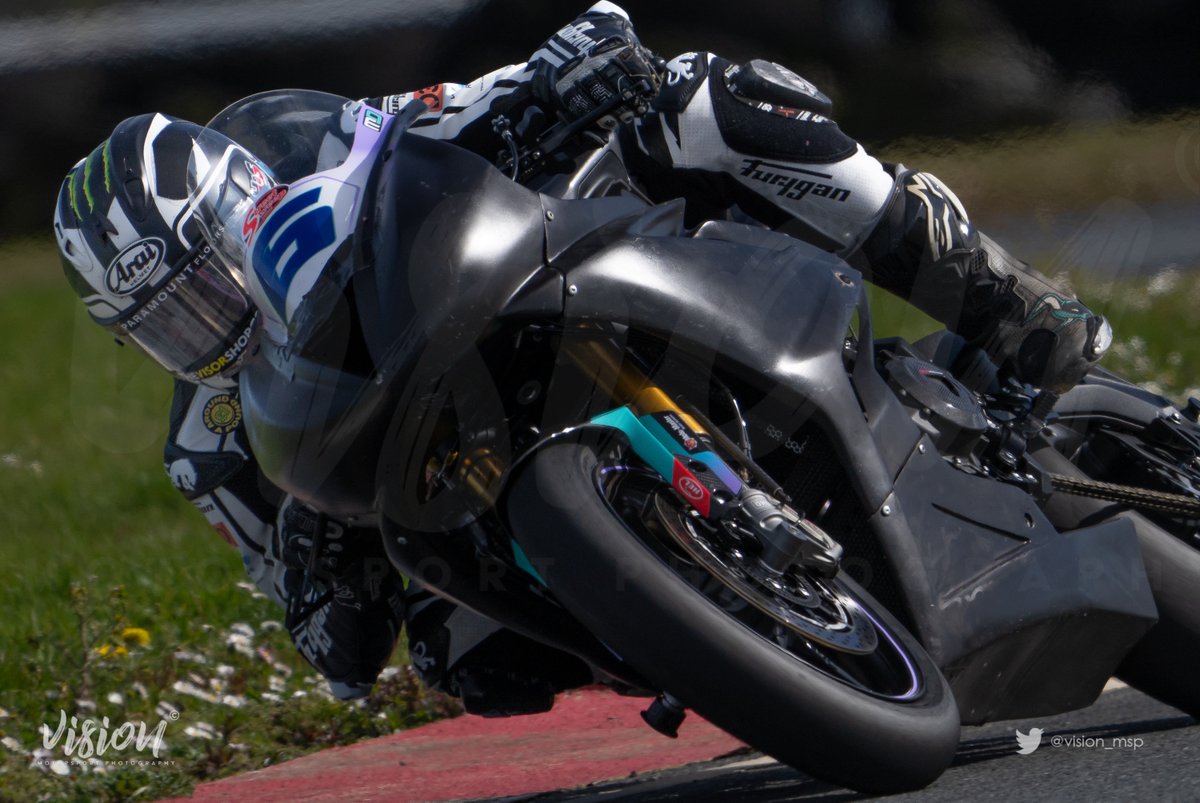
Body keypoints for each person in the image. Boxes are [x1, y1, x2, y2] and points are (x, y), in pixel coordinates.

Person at [53, 1, 1111, 712]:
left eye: (205, 283)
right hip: (455, 475)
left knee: (693, 103)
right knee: (459, 655)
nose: (207, 323)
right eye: (167, 325)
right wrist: (321, 560)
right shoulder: (209, 448)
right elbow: (333, 659)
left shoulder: (327, 149)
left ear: (242, 207)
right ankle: (701, 629)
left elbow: (481, 99)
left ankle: (994, 292)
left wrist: (560, 75)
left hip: (527, 276)